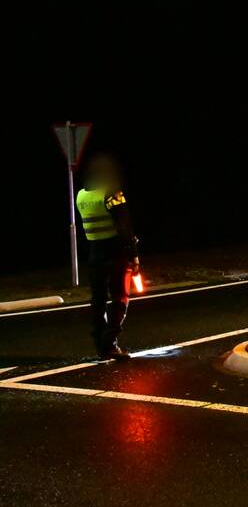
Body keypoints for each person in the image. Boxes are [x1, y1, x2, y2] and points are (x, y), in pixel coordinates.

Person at [75, 154, 139, 360]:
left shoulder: (81, 196)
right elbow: (124, 224)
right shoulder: (111, 192)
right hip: (116, 252)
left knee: (98, 300)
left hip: (94, 253)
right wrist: (133, 255)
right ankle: (110, 342)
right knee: (120, 297)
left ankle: (100, 344)